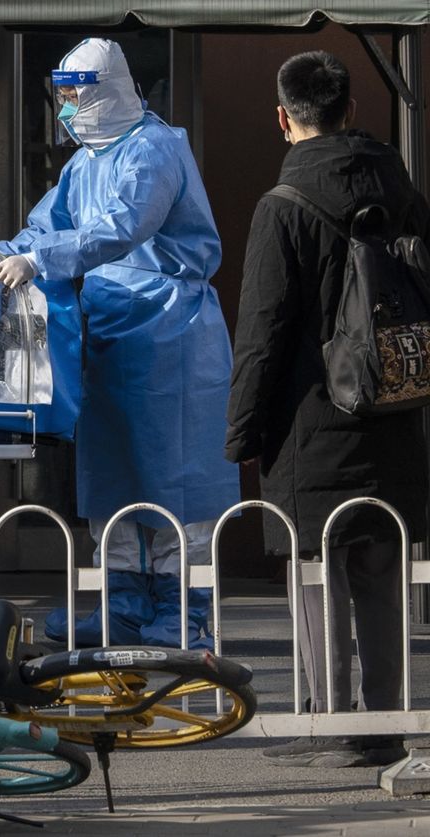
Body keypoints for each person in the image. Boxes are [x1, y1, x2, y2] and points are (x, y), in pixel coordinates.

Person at [0, 38, 238, 649]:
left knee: (175, 476)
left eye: (76, 96)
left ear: (109, 91)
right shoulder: (86, 161)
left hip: (168, 330)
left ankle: (186, 612)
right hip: (110, 332)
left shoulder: (153, 148)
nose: (67, 109)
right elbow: (45, 226)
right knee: (116, 475)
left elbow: (124, 225)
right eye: (62, 97)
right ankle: (124, 604)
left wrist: (37, 259)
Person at [226, 51, 426, 768]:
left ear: (284, 119)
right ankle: (386, 723)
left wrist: (243, 430)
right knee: (382, 571)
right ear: (350, 110)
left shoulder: (282, 207)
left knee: (316, 577)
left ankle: (331, 723)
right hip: (396, 415)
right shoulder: (400, 189)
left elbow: (262, 329)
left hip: (309, 427)